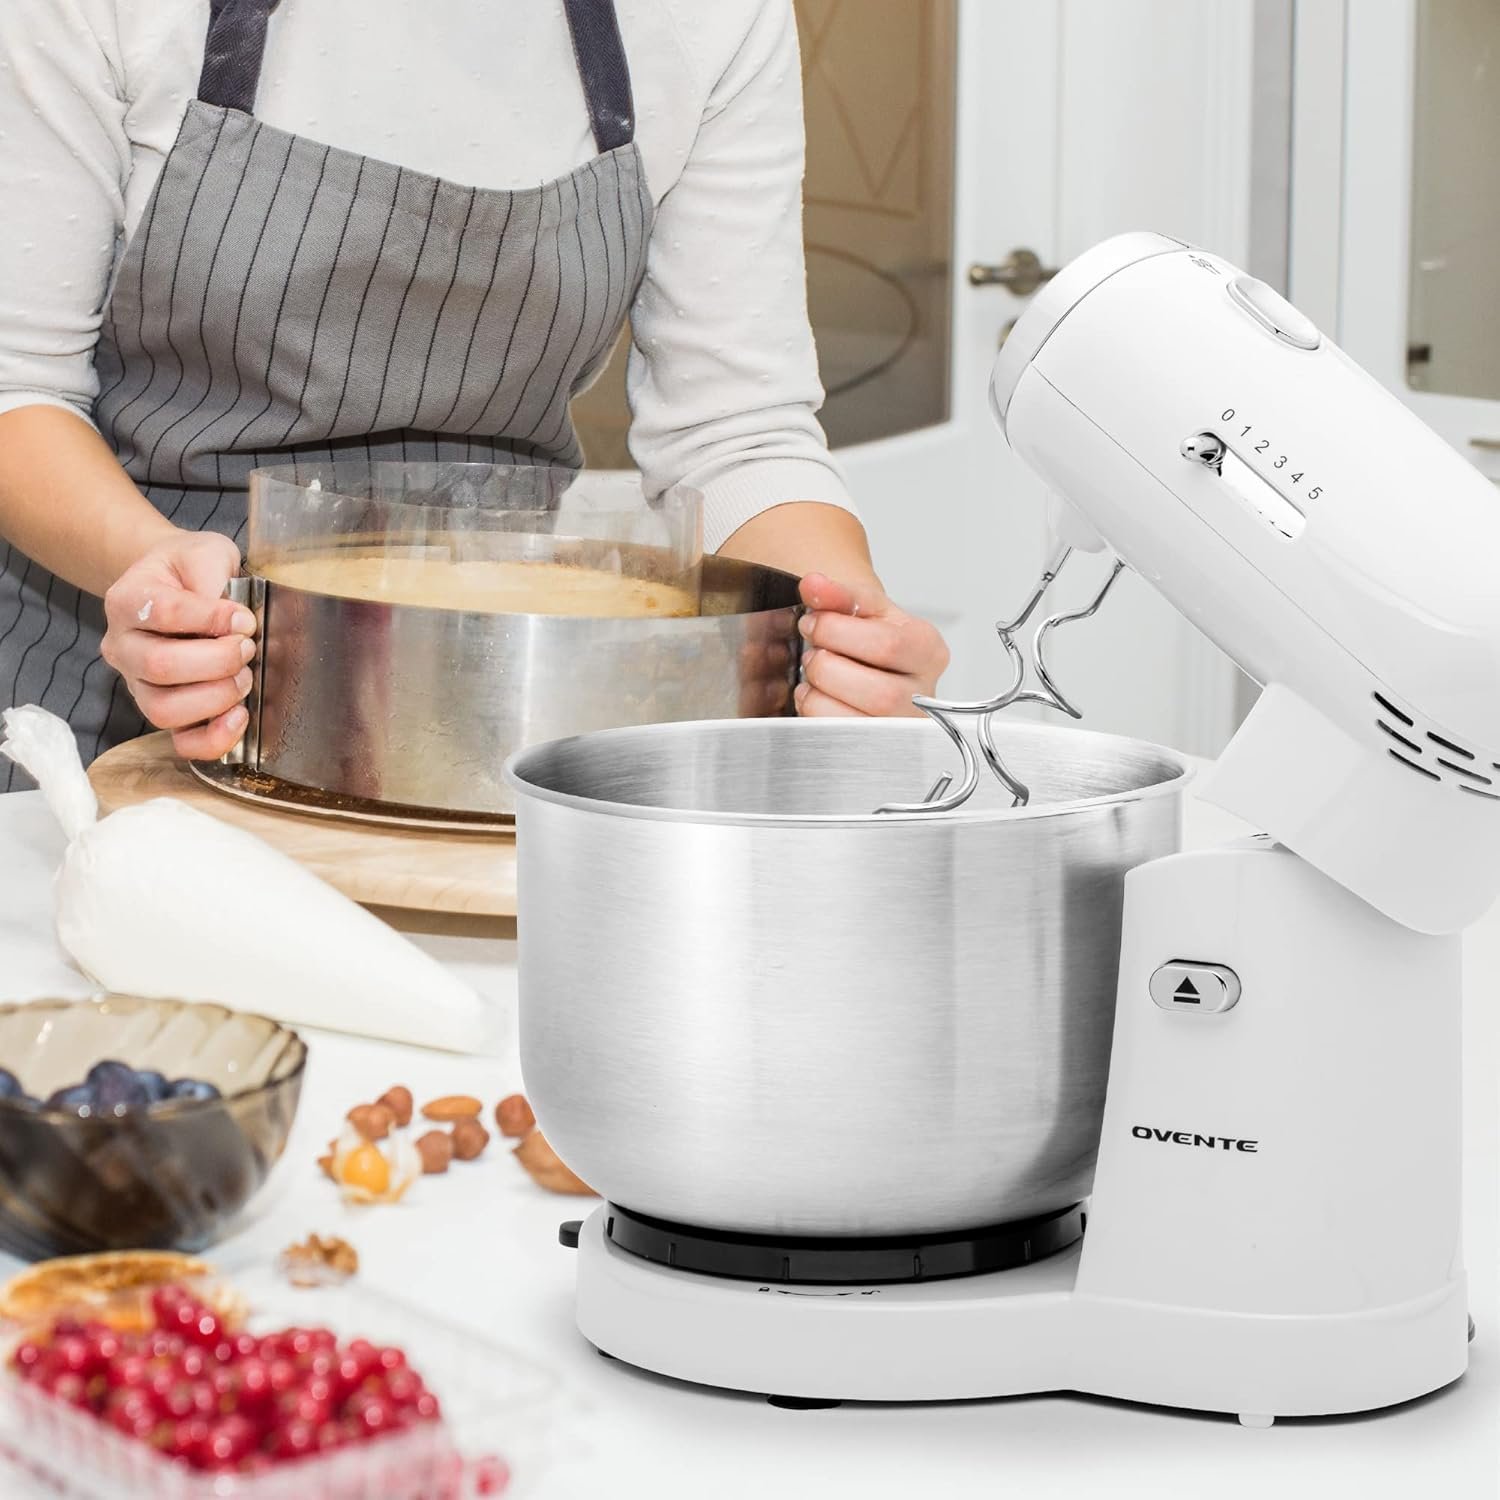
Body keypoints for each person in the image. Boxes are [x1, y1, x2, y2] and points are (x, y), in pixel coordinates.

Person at [0, 0, 947, 789]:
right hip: (115, 668)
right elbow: (19, 384)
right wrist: (156, 573)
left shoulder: (708, 17)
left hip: (495, 714)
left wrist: (848, 629)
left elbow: (736, 430)